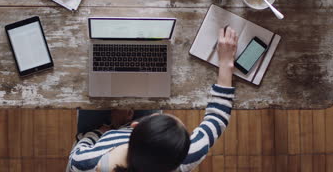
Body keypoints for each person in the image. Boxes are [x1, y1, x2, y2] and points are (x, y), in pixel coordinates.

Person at [67, 27, 238, 172]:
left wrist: (102, 131)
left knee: (90, 95)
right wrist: (226, 63)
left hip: (103, 133)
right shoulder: (183, 157)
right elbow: (217, 118)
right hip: (135, 136)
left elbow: (80, 147)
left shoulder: (85, 162)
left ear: (135, 124)